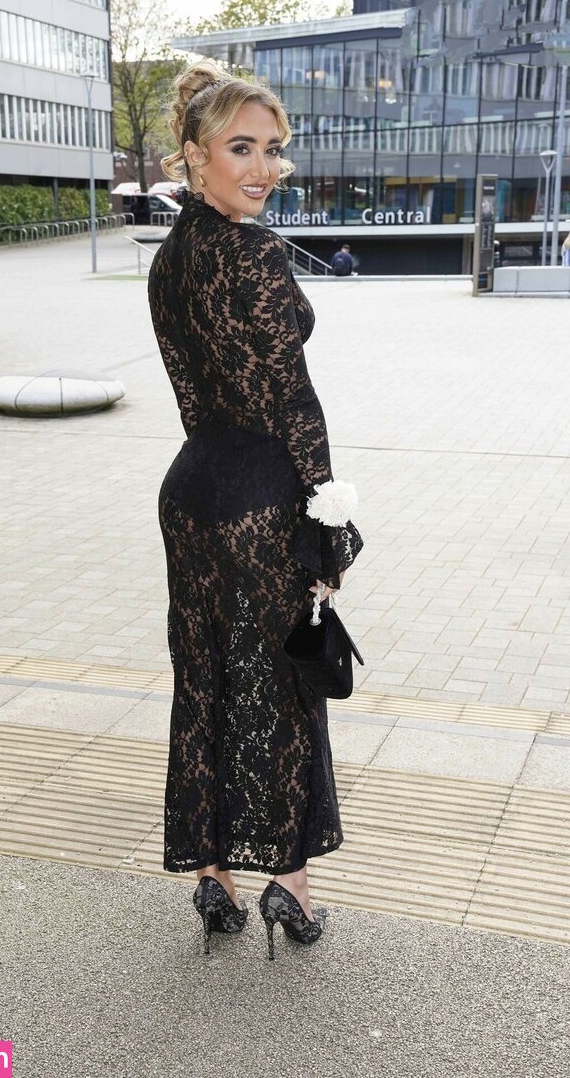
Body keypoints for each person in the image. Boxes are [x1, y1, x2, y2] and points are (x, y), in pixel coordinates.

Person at [147, 57, 363, 961]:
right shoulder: (255, 252)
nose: (264, 168)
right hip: (264, 496)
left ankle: (214, 878)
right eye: (242, 148)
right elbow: (293, 399)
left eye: (273, 149)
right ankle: (290, 884)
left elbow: (193, 391)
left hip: (191, 489)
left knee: (204, 679)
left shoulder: (170, 257)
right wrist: (327, 519)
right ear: (195, 155)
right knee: (282, 686)